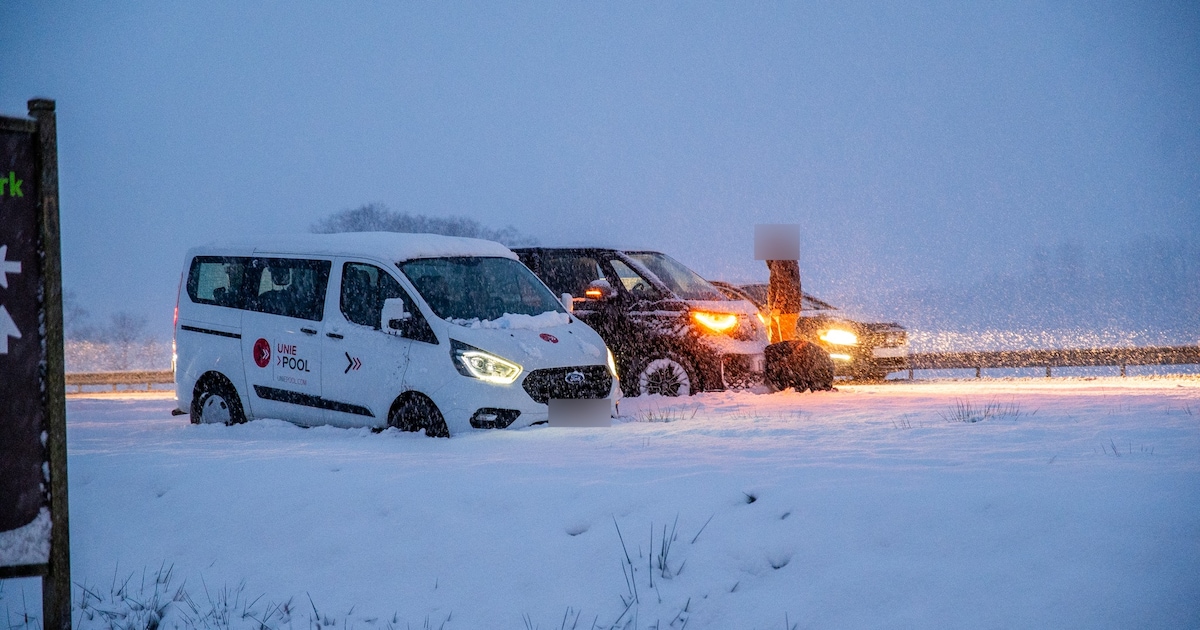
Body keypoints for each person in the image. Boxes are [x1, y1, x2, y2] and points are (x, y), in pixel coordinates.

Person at [765, 259, 802, 343]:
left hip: (784, 310)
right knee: (779, 343)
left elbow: (784, 285)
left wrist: (777, 307)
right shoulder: (784, 260)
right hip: (786, 309)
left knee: (782, 342)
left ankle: (782, 355)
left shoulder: (781, 260)